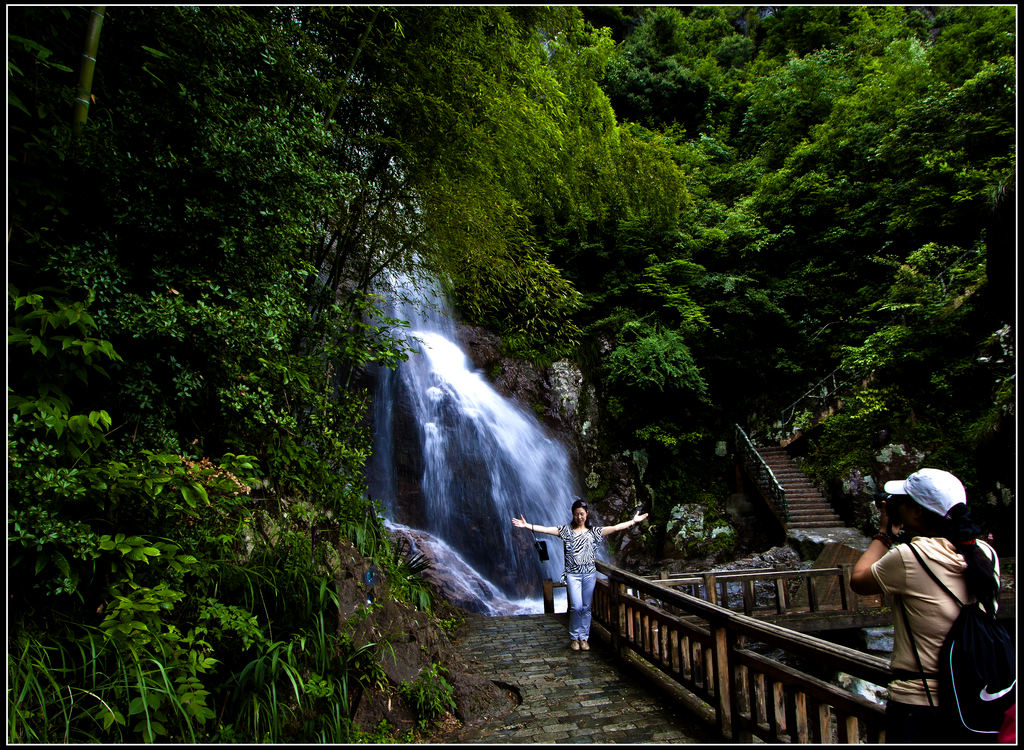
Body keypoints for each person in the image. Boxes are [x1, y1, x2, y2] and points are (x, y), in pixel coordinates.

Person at [850, 468, 1000, 744]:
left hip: (921, 704)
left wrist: (884, 533)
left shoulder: (909, 556)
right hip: (977, 697)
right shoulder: (986, 553)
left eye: (903, 502)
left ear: (916, 512)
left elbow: (859, 580)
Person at [513, 498, 648, 651]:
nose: (579, 517)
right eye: (577, 514)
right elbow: (546, 529)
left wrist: (633, 521)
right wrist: (527, 525)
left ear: (587, 514)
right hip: (573, 575)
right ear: (573, 514)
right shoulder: (566, 531)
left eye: (582, 514)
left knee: (586, 607)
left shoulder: (594, 532)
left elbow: (616, 527)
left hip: (589, 574)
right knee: (576, 607)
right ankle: (574, 637)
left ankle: (583, 638)